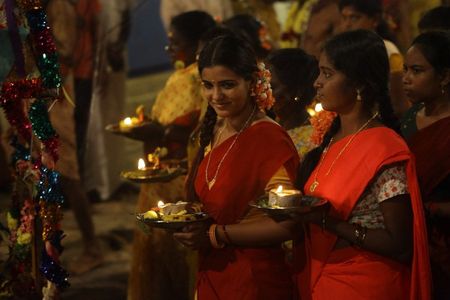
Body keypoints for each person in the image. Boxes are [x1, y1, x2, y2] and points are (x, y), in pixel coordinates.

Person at [292, 30, 431, 299]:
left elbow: (399, 243)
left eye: (327, 74)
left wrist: (328, 223)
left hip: (366, 283)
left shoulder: (383, 147)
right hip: (323, 277)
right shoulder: (331, 139)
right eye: (320, 72)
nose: (317, 83)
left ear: (358, 85)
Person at [173, 34, 299, 300]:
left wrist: (215, 234)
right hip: (212, 273)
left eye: (227, 85)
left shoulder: (268, 138)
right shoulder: (214, 128)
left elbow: (287, 225)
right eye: (208, 85)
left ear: (252, 82)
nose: (216, 96)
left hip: (254, 280)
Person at [127, 11, 216, 300]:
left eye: (174, 43)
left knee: (173, 258)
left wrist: (160, 132)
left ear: (195, 45)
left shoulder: (196, 80)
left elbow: (190, 130)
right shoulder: (183, 75)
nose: (169, 50)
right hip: (163, 174)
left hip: (177, 178)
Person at [401, 30, 450, 299]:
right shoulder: (409, 117)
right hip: (409, 239)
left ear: (444, 76)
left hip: (442, 245)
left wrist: (432, 209)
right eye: (406, 69)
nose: (406, 78)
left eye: (417, 70)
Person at [338, 0, 409, 117]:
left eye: (354, 18)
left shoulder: (388, 50)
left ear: (375, 20)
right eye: (344, 18)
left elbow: (400, 105)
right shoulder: (341, 51)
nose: (347, 24)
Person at [266, 48, 319, 158]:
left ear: (296, 91)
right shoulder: (268, 123)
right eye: (262, 83)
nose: (263, 90)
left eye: (272, 87)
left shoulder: (311, 139)